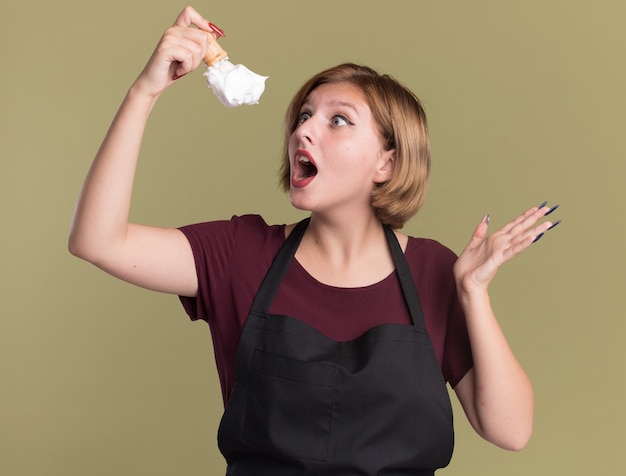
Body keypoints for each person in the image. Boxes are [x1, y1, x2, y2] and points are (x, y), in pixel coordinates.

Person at [68, 6, 560, 475]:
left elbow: (511, 431)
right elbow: (97, 239)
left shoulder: (433, 271)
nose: (304, 130)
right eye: (304, 115)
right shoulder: (241, 252)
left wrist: (473, 294)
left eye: (337, 119)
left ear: (386, 163)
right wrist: (144, 92)